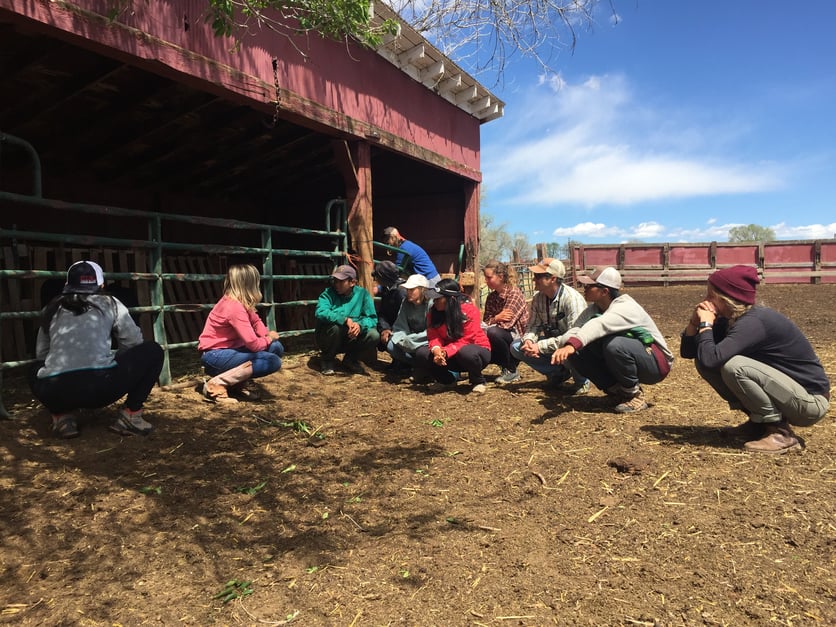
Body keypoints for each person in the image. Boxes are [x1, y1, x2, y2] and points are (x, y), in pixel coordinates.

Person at [680, 265, 830, 454]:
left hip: (809, 403)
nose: (705, 300)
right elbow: (691, 353)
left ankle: (781, 433)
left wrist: (705, 324)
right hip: (789, 395)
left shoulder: (754, 322)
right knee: (706, 361)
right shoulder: (730, 318)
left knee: (735, 366)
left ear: (726, 297)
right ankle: (759, 424)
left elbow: (712, 358)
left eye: (711, 294)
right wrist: (695, 322)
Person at [28, 260, 164, 438]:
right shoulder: (111, 303)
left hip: (55, 391)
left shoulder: (51, 307)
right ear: (101, 284)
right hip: (101, 389)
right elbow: (133, 341)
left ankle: (62, 417)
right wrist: (117, 362)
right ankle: (131, 415)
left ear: (67, 285)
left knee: (34, 369)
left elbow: (42, 353)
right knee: (153, 351)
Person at [551, 267, 673, 413]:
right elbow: (576, 329)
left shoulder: (625, 307)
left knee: (615, 345)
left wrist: (572, 345)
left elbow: (598, 325)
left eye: (590, 285)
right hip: (636, 358)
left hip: (656, 364)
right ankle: (618, 393)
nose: (585, 288)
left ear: (604, 291)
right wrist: (566, 344)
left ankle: (635, 396)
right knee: (578, 352)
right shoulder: (594, 309)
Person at [198, 264, 284, 403]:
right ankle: (217, 383)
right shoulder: (234, 307)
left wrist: (266, 336)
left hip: (230, 351)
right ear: (250, 283)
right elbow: (253, 345)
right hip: (216, 355)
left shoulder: (240, 302)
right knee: (272, 360)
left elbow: (256, 322)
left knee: (276, 347)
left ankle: (237, 383)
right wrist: (269, 338)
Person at [510, 258, 590, 394]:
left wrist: (539, 346)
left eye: (538, 276)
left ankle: (582, 381)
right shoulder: (538, 298)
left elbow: (574, 337)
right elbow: (533, 325)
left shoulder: (572, 299)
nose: (534, 280)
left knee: (573, 350)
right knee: (517, 347)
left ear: (552, 279)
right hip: (552, 343)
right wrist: (529, 341)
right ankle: (559, 373)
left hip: (571, 344)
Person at [414, 278, 491, 394]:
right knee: (422, 353)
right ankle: (446, 380)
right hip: (449, 353)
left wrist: (446, 351)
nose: (434, 301)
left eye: (438, 298)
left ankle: (478, 380)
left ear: (451, 299)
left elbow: (467, 339)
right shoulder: (433, 313)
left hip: (475, 352)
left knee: (466, 352)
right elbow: (433, 336)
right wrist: (437, 351)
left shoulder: (470, 311)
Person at [314, 264, 379, 375]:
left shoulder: (362, 294)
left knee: (373, 335)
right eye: (335, 280)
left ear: (352, 282)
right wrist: (344, 320)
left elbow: (372, 318)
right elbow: (320, 312)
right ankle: (327, 359)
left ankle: (351, 359)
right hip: (329, 336)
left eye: (341, 281)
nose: (336, 284)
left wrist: (359, 325)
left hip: (351, 337)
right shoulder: (328, 294)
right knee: (335, 328)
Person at [482, 260, 529, 384]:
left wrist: (491, 321)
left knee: (493, 332)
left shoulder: (514, 293)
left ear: (501, 277)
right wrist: (496, 318)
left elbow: (506, 324)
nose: (486, 281)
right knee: (488, 334)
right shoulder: (491, 297)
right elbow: (485, 322)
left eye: (489, 277)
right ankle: (505, 367)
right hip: (503, 334)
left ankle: (511, 369)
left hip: (518, 337)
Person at [386, 274, 431, 375]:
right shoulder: (406, 303)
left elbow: (432, 331)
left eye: (412, 289)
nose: (408, 292)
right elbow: (400, 325)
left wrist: (412, 339)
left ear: (422, 290)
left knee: (423, 352)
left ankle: (425, 366)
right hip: (409, 341)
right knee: (391, 345)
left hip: (426, 341)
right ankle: (415, 364)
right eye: (407, 290)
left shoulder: (430, 304)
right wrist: (403, 339)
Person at [372, 260, 405, 354]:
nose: (375, 280)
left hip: (401, 328)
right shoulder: (386, 288)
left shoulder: (401, 292)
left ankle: (401, 362)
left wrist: (391, 330)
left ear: (384, 278)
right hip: (389, 323)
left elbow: (403, 317)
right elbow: (383, 312)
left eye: (377, 276)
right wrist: (384, 328)